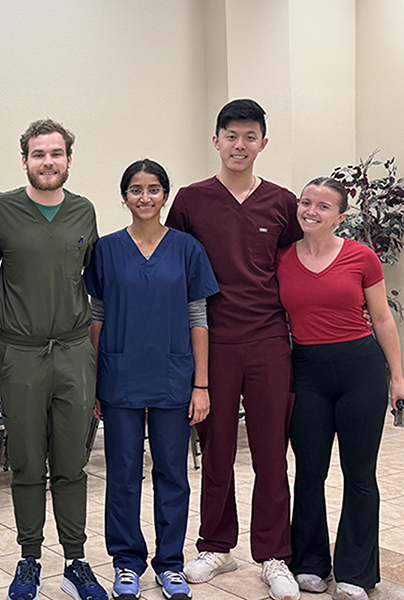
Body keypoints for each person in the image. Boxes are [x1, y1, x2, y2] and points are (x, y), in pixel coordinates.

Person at [165, 99, 303, 600]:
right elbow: (173, 270)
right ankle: (216, 545)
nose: (239, 145)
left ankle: (273, 554)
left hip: (269, 340)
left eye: (249, 137)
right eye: (231, 136)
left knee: (271, 452)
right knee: (215, 447)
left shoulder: (282, 203)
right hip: (212, 342)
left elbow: (292, 268)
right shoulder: (190, 200)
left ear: (262, 143)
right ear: (216, 140)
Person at [0, 119, 106, 600]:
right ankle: (29, 558)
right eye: (39, 154)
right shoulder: (2, 210)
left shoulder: (84, 213)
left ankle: (76, 561)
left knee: (72, 464)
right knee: (29, 463)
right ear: (25, 160)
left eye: (56, 154)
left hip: (74, 353)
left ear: (69, 161)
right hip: (23, 355)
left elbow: (90, 281)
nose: (48, 162)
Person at [85, 159, 218, 600]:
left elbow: (198, 318)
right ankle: (126, 562)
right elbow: (97, 317)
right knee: (122, 474)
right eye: (136, 190)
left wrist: (201, 384)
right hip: (120, 377)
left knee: (172, 474)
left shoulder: (186, 248)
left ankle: (170, 564)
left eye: (154, 189)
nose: (145, 197)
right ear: (124, 196)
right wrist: (97, 379)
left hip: (173, 377)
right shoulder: (106, 250)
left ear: (165, 195)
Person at [276, 178, 404, 600]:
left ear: (340, 217)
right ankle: (310, 562)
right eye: (305, 202)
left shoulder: (361, 257)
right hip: (307, 371)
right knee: (309, 471)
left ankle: (356, 573)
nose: (311, 211)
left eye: (323, 206)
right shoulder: (282, 259)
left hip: (360, 371)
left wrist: (398, 378)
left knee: (359, 474)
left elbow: (383, 319)